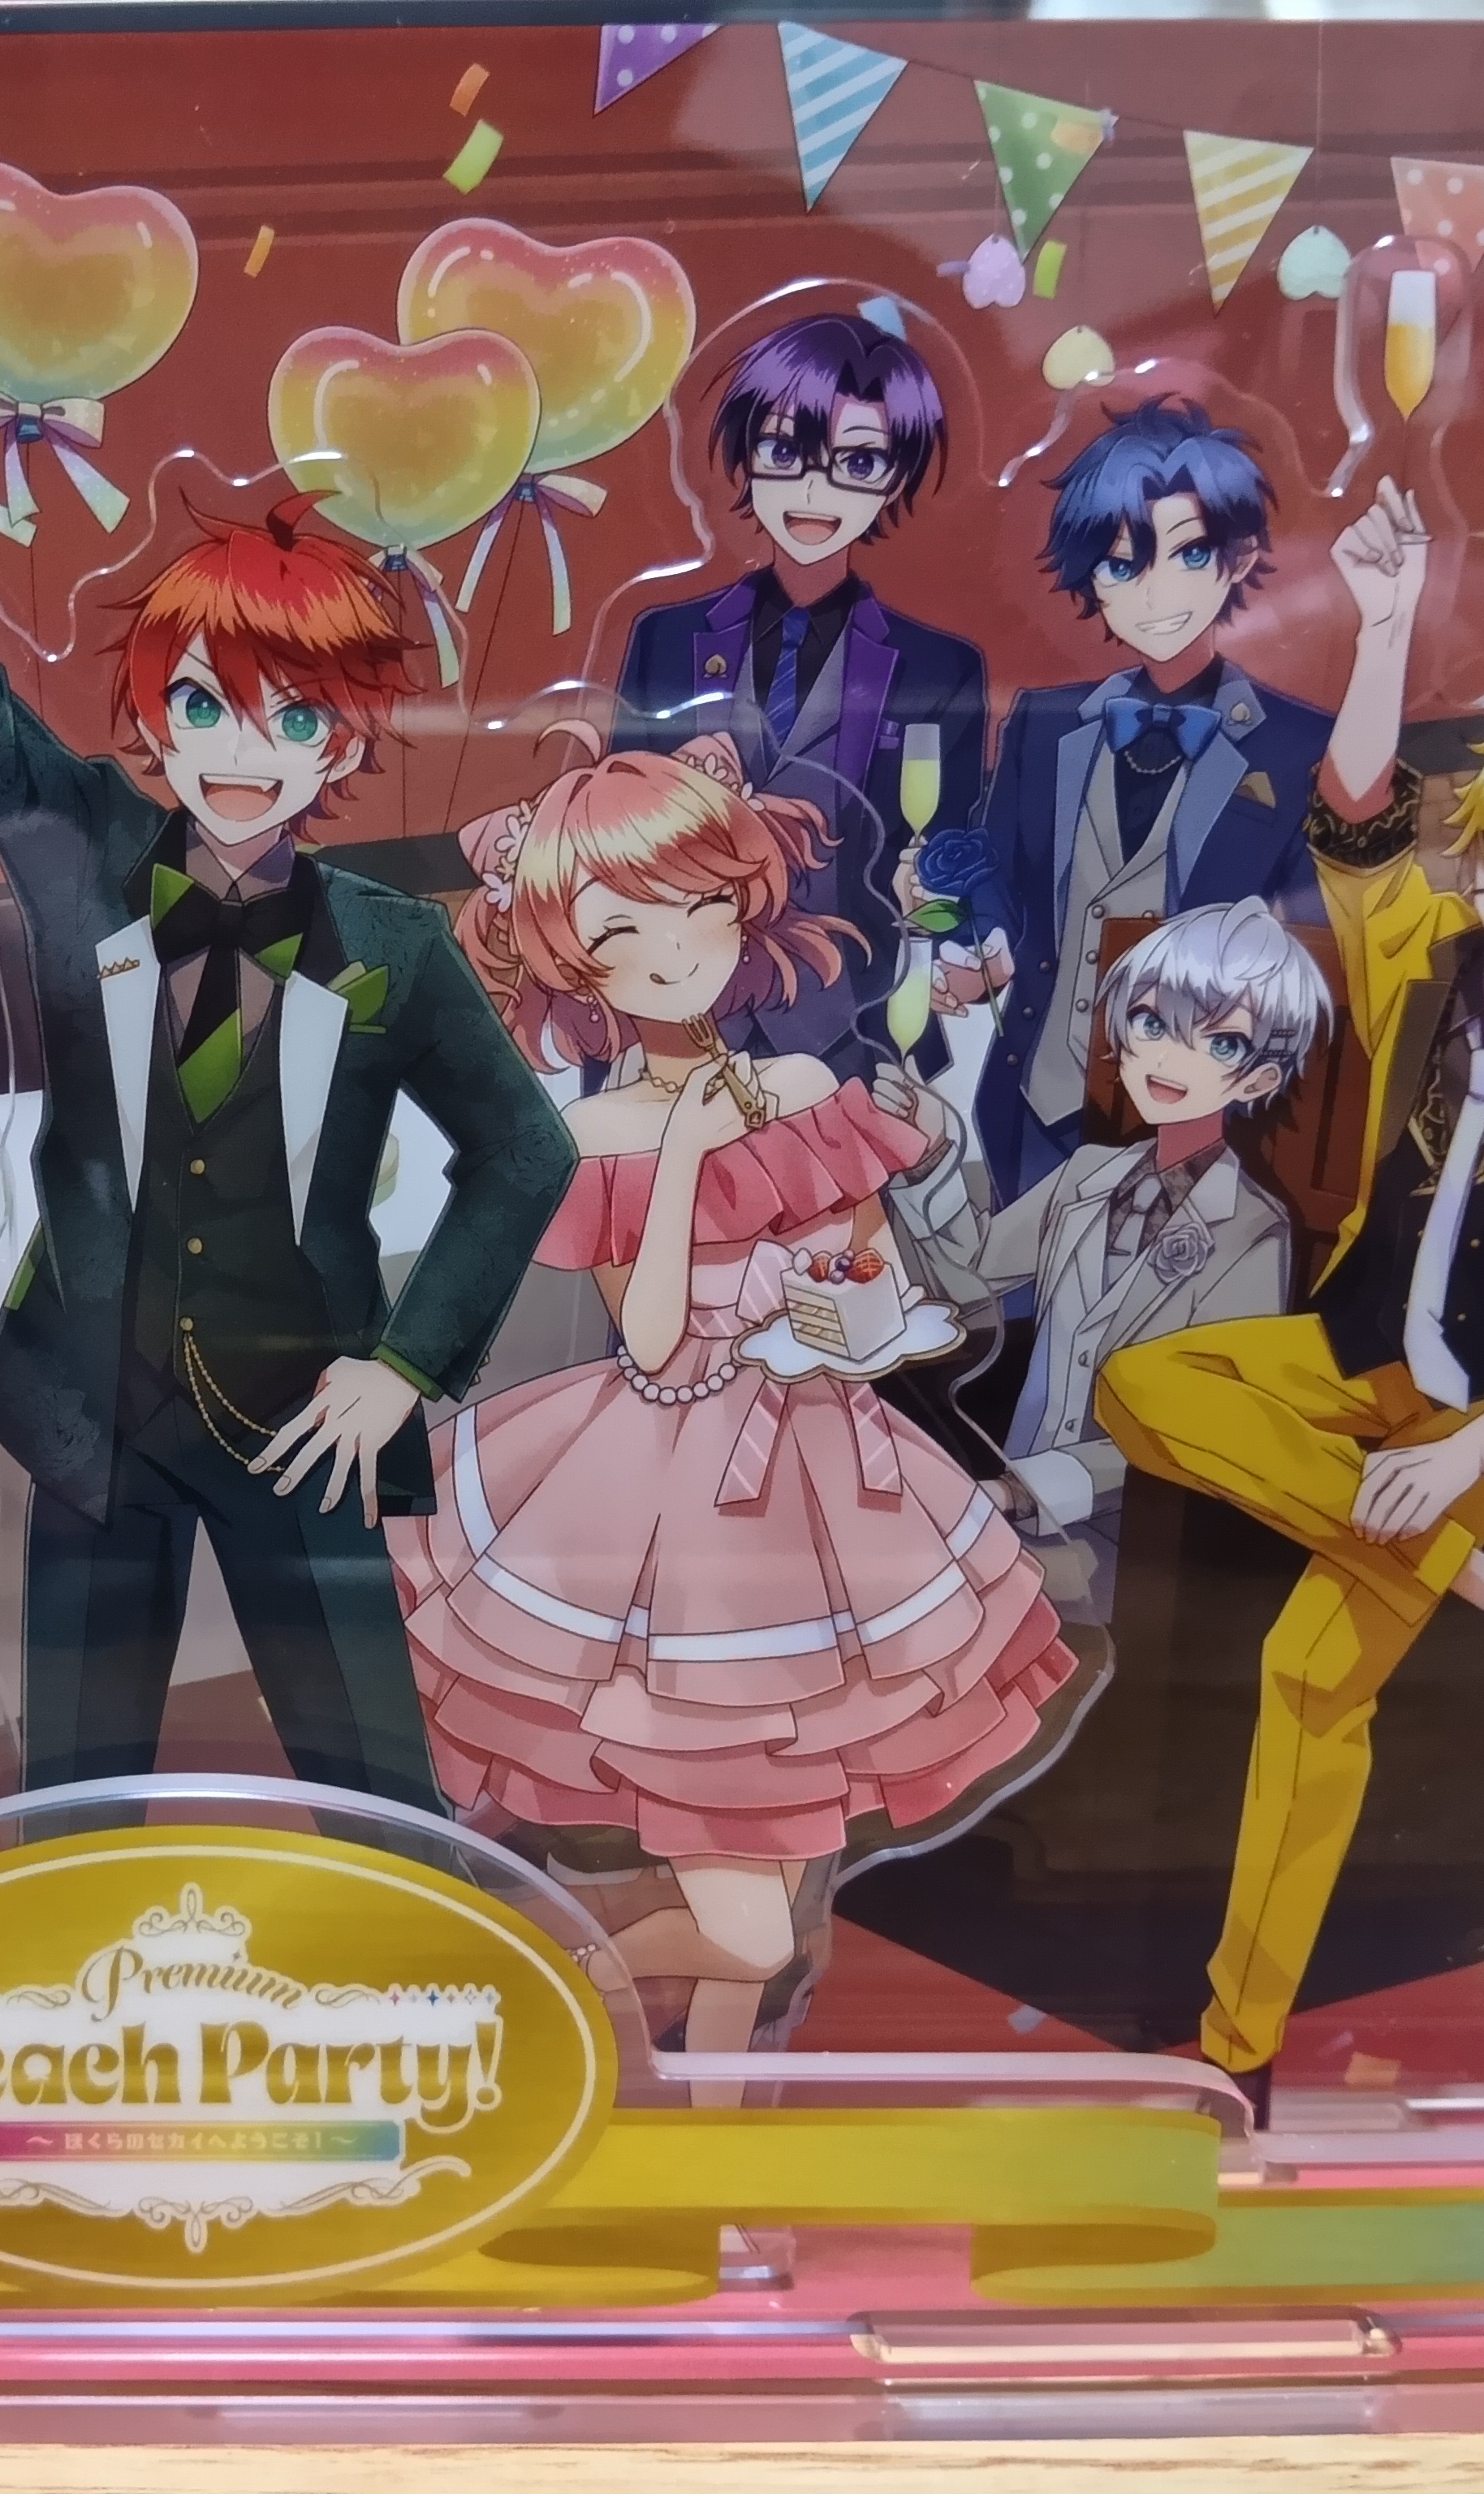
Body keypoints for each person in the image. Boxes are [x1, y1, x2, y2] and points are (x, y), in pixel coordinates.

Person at [0, 399, 576, 1808]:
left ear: (344, 745)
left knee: (377, 1785)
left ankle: (419, 1939)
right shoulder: (86, 847)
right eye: (202, 705)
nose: (243, 750)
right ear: (152, 715)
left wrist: (406, 1365)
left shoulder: (393, 946)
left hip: (308, 1429)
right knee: (75, 1790)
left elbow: (523, 1150)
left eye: (292, 717)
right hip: (92, 1417)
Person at [392, 731, 1079, 2069]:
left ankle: (713, 2124)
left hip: (832, 1484)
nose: (672, 950)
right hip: (667, 1501)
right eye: (622, 929)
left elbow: (875, 1287)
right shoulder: (589, 1137)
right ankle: (563, 1988)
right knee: (749, 1925)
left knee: (777, 1916)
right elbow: (652, 1346)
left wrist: (853, 1325)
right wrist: (685, 1156)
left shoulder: (809, 1090)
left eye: (700, 904)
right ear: (571, 960)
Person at [1097, 677, 1484, 2108]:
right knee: (1144, 1383)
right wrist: (1383, 631)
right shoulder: (1425, 966)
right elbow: (1360, 814)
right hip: (1347, 1353)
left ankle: (1237, 2054)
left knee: (1310, 1678)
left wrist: (1461, 1461)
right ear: (1480, 851)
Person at [928, 403, 1423, 1205]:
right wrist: (976, 942)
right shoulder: (1043, 725)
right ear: (1091, 578)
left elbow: (1353, 847)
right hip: (1030, 1109)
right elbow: (1002, 881)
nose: (1156, 592)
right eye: (1122, 566)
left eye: (1189, 554)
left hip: (1193, 1119)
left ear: (1239, 558)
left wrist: (1386, 634)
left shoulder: (1294, 744)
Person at [882, 898, 1330, 1616]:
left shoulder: (1254, 1232)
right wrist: (934, 1152)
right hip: (1011, 1516)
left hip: (1134, 1548)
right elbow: (970, 1273)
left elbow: (1202, 1433)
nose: (1170, 1057)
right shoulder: (1088, 1173)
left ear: (1258, 1080)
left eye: (1221, 1043)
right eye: (1152, 1024)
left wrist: (1018, 1492)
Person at [614, 313, 990, 1073]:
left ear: (894, 478)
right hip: (682, 1011)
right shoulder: (667, 639)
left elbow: (947, 860)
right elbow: (613, 837)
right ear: (746, 456)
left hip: (856, 1027)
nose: (815, 489)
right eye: (785, 452)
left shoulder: (940, 669)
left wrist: (942, 922)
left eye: (858, 462)